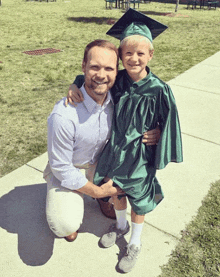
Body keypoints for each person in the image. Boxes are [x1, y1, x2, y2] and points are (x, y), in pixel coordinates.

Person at [66, 8, 183, 273]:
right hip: (116, 151)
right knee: (115, 190)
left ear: (150, 55)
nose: (134, 58)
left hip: (140, 156)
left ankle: (135, 242)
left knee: (139, 199)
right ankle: (120, 226)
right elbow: (91, 80)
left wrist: (161, 134)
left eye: (140, 53)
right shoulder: (117, 82)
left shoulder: (159, 89)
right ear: (120, 56)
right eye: (127, 53)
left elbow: (171, 122)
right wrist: (74, 85)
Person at [43, 38, 159, 244]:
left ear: (117, 71)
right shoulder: (63, 115)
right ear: (84, 66)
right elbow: (60, 165)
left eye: (109, 68)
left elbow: (145, 109)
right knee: (66, 227)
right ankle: (82, 193)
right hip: (68, 165)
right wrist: (97, 190)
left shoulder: (118, 96)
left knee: (114, 206)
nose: (102, 75)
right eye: (94, 67)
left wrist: (158, 131)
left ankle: (98, 193)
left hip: (99, 161)